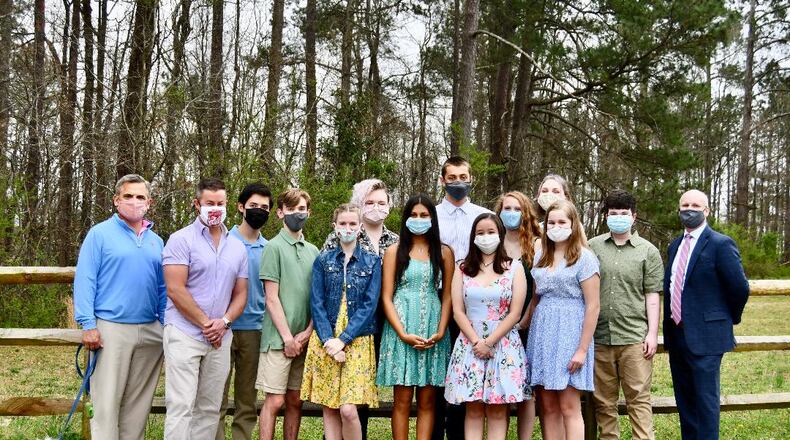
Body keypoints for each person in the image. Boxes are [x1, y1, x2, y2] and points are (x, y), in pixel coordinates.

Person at [73, 174, 166, 440]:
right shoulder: (99, 234)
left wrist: (165, 325)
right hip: (111, 329)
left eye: (140, 197)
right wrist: (88, 324)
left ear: (149, 202)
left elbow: (162, 289)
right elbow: (86, 280)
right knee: (106, 403)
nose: (134, 202)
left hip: (150, 330)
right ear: (116, 200)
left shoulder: (156, 241)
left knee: (138, 405)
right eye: (128, 196)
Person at [162, 178, 249, 440]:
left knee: (210, 408)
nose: (215, 208)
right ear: (197, 204)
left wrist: (223, 322)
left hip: (220, 338)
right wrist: (205, 323)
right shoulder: (180, 240)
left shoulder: (236, 246)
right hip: (184, 333)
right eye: (209, 203)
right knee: (181, 406)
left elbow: (241, 292)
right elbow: (175, 289)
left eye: (220, 203)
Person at [663, 189, 749, 440]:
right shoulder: (675, 245)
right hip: (677, 335)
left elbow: (739, 287)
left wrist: (725, 319)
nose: (689, 209)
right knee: (686, 402)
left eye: (695, 205)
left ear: (707, 211)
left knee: (705, 403)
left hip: (708, 337)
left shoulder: (721, 244)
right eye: (684, 205)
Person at [321, 178, 399, 440]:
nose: (376, 207)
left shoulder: (397, 241)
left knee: (361, 389)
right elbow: (326, 281)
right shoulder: (340, 236)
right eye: (369, 202)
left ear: (389, 206)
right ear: (359, 205)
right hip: (346, 325)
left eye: (381, 202)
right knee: (342, 396)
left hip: (386, 324)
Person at [444, 213, 529, 440]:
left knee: (498, 409)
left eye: (490, 232)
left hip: (502, 344)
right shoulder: (462, 268)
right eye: (480, 233)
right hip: (470, 344)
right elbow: (457, 311)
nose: (485, 237)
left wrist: (490, 342)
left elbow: (516, 313)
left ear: (500, 235)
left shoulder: (514, 268)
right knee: (472, 409)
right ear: (473, 237)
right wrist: (476, 342)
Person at [301, 203, 382, 440]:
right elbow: (316, 302)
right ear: (335, 227)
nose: (348, 228)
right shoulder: (323, 260)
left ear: (360, 228)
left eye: (352, 224)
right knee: (330, 406)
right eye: (343, 223)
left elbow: (370, 304)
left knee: (348, 409)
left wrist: (343, 340)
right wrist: (329, 341)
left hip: (357, 338)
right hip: (326, 337)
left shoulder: (371, 261)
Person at [377, 194, 454, 440]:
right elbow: (386, 296)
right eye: (414, 215)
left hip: (432, 327)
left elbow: (448, 296)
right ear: (406, 218)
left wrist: (441, 331)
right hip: (400, 327)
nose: (419, 219)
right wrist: (401, 332)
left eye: (424, 215)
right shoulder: (393, 251)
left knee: (428, 401)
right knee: (401, 400)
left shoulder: (443, 253)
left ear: (432, 218)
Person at [589, 190, 663, 440]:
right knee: (603, 402)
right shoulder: (592, 246)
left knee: (639, 400)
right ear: (606, 216)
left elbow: (652, 295)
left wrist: (652, 334)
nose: (618, 217)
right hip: (600, 338)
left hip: (634, 338)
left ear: (634, 217)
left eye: (623, 214)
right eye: (613, 214)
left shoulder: (648, 251)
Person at [526, 199, 600, 440]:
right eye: (551, 222)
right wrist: (521, 323)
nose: (556, 226)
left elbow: (593, 306)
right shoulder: (540, 255)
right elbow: (536, 298)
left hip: (570, 331)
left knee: (569, 406)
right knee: (547, 407)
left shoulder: (585, 258)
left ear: (573, 224)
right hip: (543, 331)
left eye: (562, 222)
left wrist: (581, 349)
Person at [434, 156, 491, 440]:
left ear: (471, 180)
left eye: (463, 177)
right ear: (443, 180)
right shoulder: (430, 216)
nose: (458, 182)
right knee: (435, 379)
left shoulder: (483, 217)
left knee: (465, 379)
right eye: (452, 177)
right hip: (436, 303)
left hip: (472, 309)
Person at [257, 188, 320, 440]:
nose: (297, 213)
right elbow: (271, 298)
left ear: (308, 212)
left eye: (302, 209)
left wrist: (306, 333)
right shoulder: (273, 247)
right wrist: (288, 339)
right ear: (281, 212)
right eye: (291, 209)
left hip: (304, 338)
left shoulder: (314, 251)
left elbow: (318, 299)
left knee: (295, 400)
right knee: (275, 401)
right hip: (278, 339)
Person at [216, 183, 272, 440]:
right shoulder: (224, 242)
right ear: (240, 207)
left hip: (255, 330)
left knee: (246, 400)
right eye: (253, 206)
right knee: (215, 396)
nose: (258, 211)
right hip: (222, 328)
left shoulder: (270, 249)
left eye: (264, 207)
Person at [495, 191, 542, 440]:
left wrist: (524, 320)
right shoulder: (493, 241)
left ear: (525, 213)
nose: (511, 214)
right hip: (497, 327)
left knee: (527, 389)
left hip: (528, 325)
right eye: (506, 208)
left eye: (516, 209)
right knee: (498, 384)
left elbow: (540, 289)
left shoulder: (536, 244)